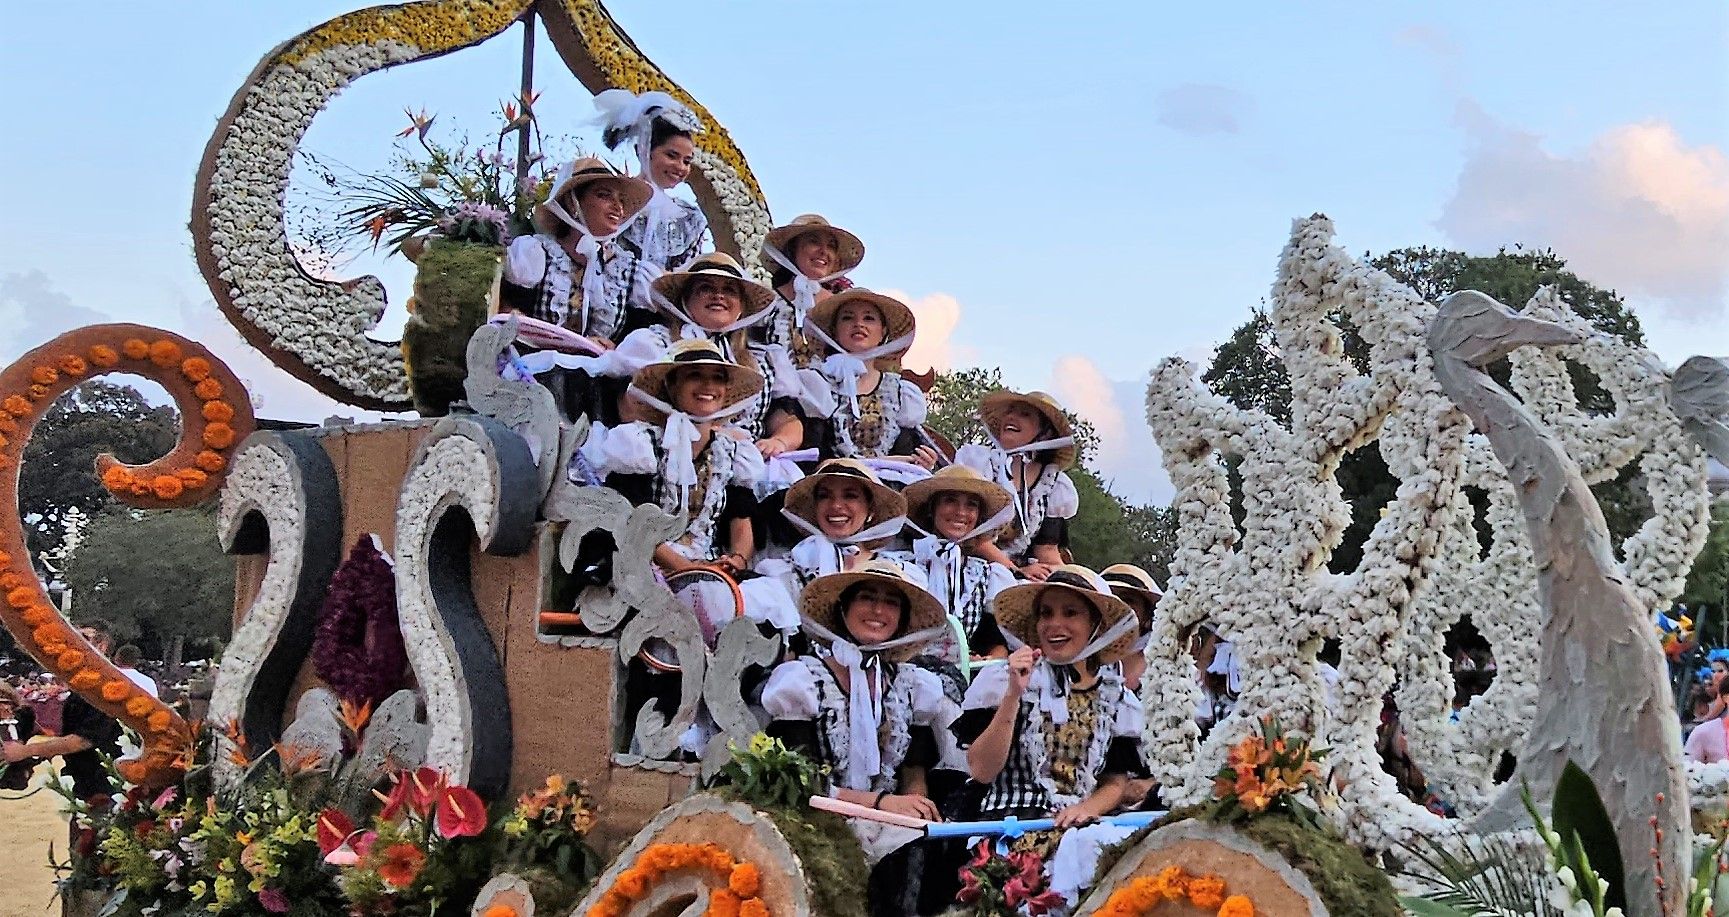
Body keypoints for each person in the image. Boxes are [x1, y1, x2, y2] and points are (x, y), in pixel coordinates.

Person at [761, 561, 956, 915]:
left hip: (885, 819)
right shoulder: (802, 681)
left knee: (932, 847)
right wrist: (880, 804)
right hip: (818, 813)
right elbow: (801, 784)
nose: (878, 611)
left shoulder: (912, 685)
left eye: (891, 603)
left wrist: (916, 813)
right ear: (843, 609)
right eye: (867, 598)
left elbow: (914, 774)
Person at [951, 566, 1145, 907]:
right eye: (1046, 613)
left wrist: (1087, 809)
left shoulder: (1117, 698)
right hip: (1008, 826)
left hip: (1080, 828)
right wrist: (1014, 692)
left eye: (1070, 613)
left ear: (1094, 626)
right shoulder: (1001, 682)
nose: (1055, 625)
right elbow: (981, 770)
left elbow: (1115, 782)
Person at [594, 252, 830, 454]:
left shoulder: (763, 359)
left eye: (729, 290)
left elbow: (787, 420)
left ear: (741, 307)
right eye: (706, 288)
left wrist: (778, 442)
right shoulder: (654, 344)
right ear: (685, 300)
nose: (719, 296)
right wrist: (704, 435)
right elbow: (628, 406)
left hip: (739, 475)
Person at [599, 338, 766, 576]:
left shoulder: (733, 453)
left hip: (710, 567)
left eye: (718, 377)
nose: (708, 385)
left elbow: (741, 518)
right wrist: (687, 569)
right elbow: (632, 520)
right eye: (695, 375)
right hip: (646, 567)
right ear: (671, 386)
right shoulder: (641, 445)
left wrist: (736, 561)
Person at [500, 156, 655, 349]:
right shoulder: (535, 254)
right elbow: (505, 315)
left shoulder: (629, 272)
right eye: (604, 195)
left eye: (622, 200)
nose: (618, 207)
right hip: (531, 371)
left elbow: (646, 339)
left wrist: (617, 348)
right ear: (573, 202)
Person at [889, 465, 1018, 666]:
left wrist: (988, 657)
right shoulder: (902, 566)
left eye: (971, 505)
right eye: (950, 501)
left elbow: (993, 639)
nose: (961, 512)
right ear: (932, 509)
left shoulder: (985, 575)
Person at [955, 390, 1080, 581]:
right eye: (1010, 411)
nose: (1011, 417)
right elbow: (972, 535)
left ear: (1045, 432)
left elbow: (1046, 550)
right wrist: (1015, 571)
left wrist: (1068, 577)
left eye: (1025, 414)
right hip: (967, 567)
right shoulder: (979, 463)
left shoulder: (1053, 484)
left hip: (1017, 574)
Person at [807, 289, 940, 468]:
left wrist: (923, 461)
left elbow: (908, 452)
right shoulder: (817, 385)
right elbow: (812, 453)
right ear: (834, 331)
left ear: (883, 332)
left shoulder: (900, 393)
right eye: (847, 318)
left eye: (869, 318)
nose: (858, 324)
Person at [3, 623, 123, 804]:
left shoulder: (106, 686)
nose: (72, 644)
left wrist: (25, 752)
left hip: (107, 784)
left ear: (102, 645)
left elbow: (82, 740)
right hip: (85, 781)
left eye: (83, 638)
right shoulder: (84, 686)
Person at [757, 459, 912, 596]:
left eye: (850, 495)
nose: (836, 505)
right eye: (824, 496)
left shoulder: (900, 573)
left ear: (870, 508)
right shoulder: (788, 569)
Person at [595, 89, 709, 271]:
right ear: (644, 151)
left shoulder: (688, 220)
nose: (680, 167)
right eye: (671, 156)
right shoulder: (613, 201)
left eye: (687, 161)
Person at [755, 214, 865, 368]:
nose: (823, 251)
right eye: (814, 242)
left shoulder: (841, 311)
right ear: (792, 249)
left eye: (831, 246)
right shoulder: (765, 304)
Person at [0, 679, 39, 791]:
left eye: (8, 703)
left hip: (18, 764)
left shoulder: (22, 718)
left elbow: (28, 730)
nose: (6, 708)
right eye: (2, 704)